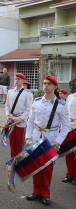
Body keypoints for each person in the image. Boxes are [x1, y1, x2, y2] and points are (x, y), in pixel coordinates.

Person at [25, 75, 70, 206]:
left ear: (55, 87)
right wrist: (28, 137)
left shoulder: (61, 104)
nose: (46, 85)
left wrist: (58, 142)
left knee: (48, 168)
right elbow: (31, 121)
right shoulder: (37, 101)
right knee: (36, 166)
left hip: (51, 139)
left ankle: (45, 193)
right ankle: (36, 191)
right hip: (36, 137)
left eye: (49, 83)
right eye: (44, 83)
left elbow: (66, 126)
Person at [5, 73, 33, 159]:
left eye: (19, 79)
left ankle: (19, 159)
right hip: (12, 119)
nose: (17, 81)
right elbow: (7, 105)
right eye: (16, 79)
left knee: (19, 141)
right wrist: (7, 115)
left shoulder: (27, 93)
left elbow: (29, 108)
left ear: (22, 81)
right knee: (12, 140)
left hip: (21, 120)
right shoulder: (10, 91)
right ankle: (12, 158)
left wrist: (21, 118)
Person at [63, 90, 76, 185]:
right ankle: (69, 174)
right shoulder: (70, 97)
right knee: (69, 151)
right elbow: (66, 111)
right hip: (70, 126)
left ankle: (75, 175)